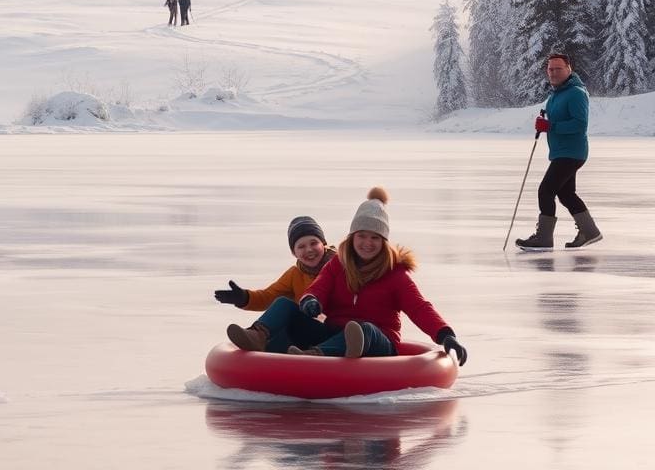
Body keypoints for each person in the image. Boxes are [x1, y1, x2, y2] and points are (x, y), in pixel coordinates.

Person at [225, 188, 468, 365]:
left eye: (375, 238)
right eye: (362, 236)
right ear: (352, 238)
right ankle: (257, 336)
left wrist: (446, 335)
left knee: (364, 328)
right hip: (335, 333)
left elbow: (419, 308)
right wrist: (311, 300)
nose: (367, 243)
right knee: (284, 305)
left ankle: (316, 357)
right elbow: (318, 288)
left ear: (383, 242)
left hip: (379, 343)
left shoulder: (396, 275)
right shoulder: (337, 266)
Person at [516, 52, 601, 250]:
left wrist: (550, 126)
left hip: (571, 153)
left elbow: (580, 125)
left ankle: (544, 239)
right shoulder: (556, 94)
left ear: (568, 69)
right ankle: (590, 231)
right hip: (563, 152)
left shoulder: (576, 93)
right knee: (566, 194)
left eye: (557, 69)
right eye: (550, 69)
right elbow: (555, 121)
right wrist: (545, 123)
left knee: (545, 190)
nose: (553, 73)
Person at [214, 216, 336, 353]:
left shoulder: (341, 266)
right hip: (305, 331)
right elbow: (268, 296)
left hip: (334, 331)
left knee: (286, 309)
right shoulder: (295, 274)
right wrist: (244, 298)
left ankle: (263, 340)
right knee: (281, 315)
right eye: (301, 246)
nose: (309, 250)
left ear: (323, 243)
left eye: (313, 243)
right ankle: (258, 337)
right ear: (293, 252)